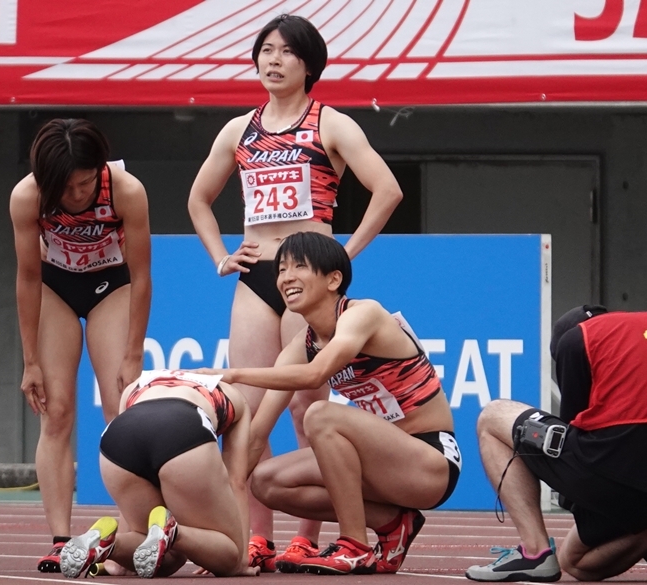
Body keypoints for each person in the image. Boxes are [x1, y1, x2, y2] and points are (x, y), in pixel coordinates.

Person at [187, 13, 403, 570]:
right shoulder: (239, 130)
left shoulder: (332, 124)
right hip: (256, 275)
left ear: (310, 64)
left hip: (309, 280)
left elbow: (388, 190)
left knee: (308, 411)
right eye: (265, 49)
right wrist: (220, 256)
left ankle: (307, 536)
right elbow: (198, 200)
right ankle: (253, 535)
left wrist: (341, 257)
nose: (273, 59)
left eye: (286, 51)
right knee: (247, 411)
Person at [198, 231, 460, 574]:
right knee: (265, 481)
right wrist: (217, 530)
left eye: (299, 267)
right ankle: (393, 524)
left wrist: (233, 375)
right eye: (281, 269)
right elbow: (258, 433)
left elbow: (315, 374)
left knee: (320, 414)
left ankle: (354, 546)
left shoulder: (363, 314)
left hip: (429, 462)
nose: (286, 277)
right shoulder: (302, 343)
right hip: (378, 464)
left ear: (334, 279)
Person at [9, 118, 152, 572]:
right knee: (58, 412)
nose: (77, 195)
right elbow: (28, 278)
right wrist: (30, 361)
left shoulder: (126, 189)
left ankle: (134, 539)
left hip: (112, 285)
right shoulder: (27, 196)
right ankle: (59, 539)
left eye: (86, 183)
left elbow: (143, 276)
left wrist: (132, 354)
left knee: (119, 408)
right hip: (55, 287)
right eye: (66, 189)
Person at [465, 305, 647, 582]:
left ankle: (534, 553)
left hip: (615, 458)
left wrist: (575, 498)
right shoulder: (631, 327)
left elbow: (575, 426)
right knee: (575, 561)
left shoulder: (577, 339)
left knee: (491, 418)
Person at [57, 370, 258, 579]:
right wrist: (241, 561)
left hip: (118, 438)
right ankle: (174, 532)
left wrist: (121, 563)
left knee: (165, 558)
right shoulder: (234, 396)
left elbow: (134, 434)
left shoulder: (133, 387)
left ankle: (109, 545)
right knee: (230, 558)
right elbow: (237, 481)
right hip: (185, 428)